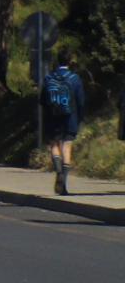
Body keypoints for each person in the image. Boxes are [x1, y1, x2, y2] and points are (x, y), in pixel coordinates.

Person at [41, 50, 85, 196]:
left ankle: (58, 170)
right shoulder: (75, 78)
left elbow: (42, 100)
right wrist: (80, 118)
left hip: (53, 116)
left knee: (54, 144)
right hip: (70, 116)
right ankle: (63, 183)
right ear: (70, 61)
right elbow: (81, 101)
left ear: (57, 61)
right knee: (67, 146)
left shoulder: (49, 78)